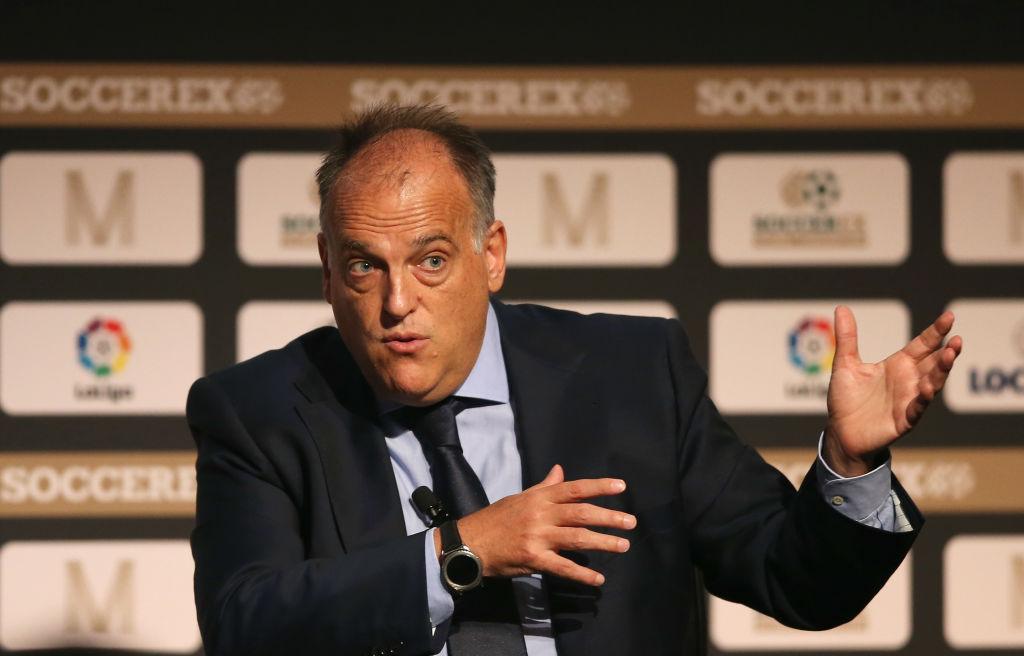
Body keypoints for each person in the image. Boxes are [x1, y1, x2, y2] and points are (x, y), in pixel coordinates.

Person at [186, 104, 962, 656]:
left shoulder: (634, 375)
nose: (397, 303)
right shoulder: (261, 412)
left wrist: (851, 462)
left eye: (430, 261)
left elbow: (798, 583)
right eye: (364, 266)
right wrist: (462, 551)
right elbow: (246, 626)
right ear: (328, 271)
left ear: (490, 254)